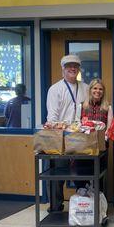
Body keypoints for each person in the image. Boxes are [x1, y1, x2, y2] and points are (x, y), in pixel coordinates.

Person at [46, 54, 89, 212]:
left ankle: (84, 208)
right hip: (60, 138)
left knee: (83, 173)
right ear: (63, 69)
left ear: (78, 69)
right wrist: (61, 130)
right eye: (69, 66)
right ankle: (55, 207)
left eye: (75, 66)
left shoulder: (85, 88)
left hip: (81, 137)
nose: (73, 68)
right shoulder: (55, 89)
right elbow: (52, 117)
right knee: (56, 175)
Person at [75, 79, 113, 190]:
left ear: (103, 91)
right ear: (90, 90)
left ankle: (98, 201)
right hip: (83, 146)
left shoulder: (108, 107)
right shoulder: (81, 106)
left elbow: (109, 128)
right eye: (95, 88)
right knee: (81, 173)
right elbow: (76, 124)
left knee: (99, 175)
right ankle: (82, 198)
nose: (98, 91)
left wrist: (104, 138)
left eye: (100, 89)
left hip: (100, 147)